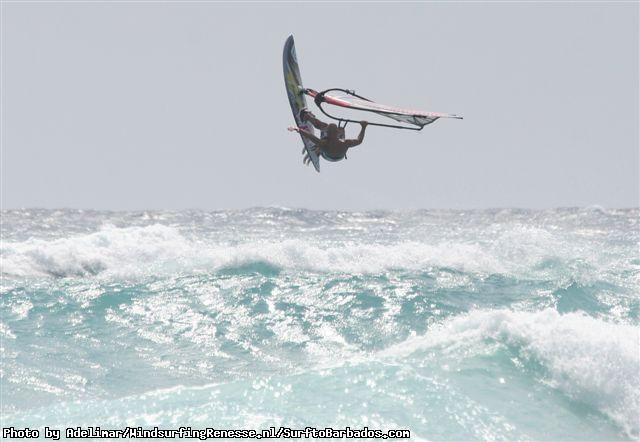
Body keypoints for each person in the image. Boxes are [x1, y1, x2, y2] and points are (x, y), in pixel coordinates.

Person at [288, 109, 368, 165]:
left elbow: (310, 136)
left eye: (327, 131)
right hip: (337, 149)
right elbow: (359, 140)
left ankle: (316, 151)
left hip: (328, 156)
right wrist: (363, 127)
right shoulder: (345, 142)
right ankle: (308, 117)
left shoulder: (324, 143)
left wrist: (297, 129)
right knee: (332, 128)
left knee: (325, 127)